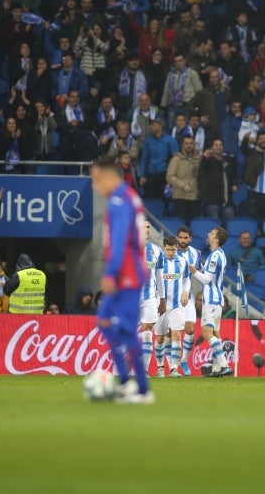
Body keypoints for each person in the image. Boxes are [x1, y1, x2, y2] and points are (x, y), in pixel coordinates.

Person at [90, 157, 153, 403]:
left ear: (108, 176)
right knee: (105, 321)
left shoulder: (118, 201)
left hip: (127, 273)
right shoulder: (128, 196)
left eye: (96, 180)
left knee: (125, 329)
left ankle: (142, 389)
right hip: (126, 270)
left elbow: (118, 242)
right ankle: (127, 382)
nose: (95, 186)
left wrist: (110, 272)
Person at [186, 226, 232, 377]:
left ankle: (224, 365)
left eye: (211, 233)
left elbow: (206, 279)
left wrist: (193, 271)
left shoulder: (214, 256)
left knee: (206, 332)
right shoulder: (220, 255)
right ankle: (217, 369)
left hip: (212, 300)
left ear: (216, 239)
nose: (208, 234)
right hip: (217, 299)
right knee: (215, 333)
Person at [155, 234, 189, 378]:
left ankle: (174, 368)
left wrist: (186, 292)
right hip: (160, 306)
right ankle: (160, 367)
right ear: (164, 248)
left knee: (176, 334)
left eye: (173, 250)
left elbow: (187, 278)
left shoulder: (182, 261)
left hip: (177, 305)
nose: (171, 253)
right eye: (168, 250)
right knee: (160, 338)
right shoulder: (158, 262)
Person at [175, 225, 201, 375]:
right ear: (177, 238)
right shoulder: (170, 252)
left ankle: (184, 360)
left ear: (190, 239)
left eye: (186, 238)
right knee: (170, 332)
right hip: (171, 297)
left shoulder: (195, 254)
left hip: (188, 296)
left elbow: (196, 273)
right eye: (181, 238)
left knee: (190, 330)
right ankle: (169, 364)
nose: (183, 240)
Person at [139, 221, 162, 374]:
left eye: (148, 226)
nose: (146, 229)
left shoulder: (157, 251)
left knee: (147, 331)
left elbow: (159, 277)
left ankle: (144, 370)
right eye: (143, 226)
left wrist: (162, 298)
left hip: (149, 298)